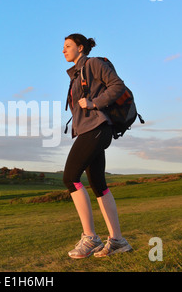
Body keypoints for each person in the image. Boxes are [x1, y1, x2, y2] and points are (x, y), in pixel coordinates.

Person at [62, 33, 133, 258]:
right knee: (98, 184)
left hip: (97, 128)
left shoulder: (92, 64)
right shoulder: (76, 75)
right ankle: (118, 241)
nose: (63, 50)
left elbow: (117, 85)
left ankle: (90, 237)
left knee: (70, 177)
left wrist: (95, 103)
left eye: (68, 46)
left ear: (80, 48)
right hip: (90, 130)